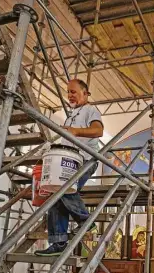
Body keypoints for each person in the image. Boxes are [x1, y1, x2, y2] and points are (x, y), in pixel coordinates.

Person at [35, 79, 103, 256]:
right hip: (70, 160)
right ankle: (58, 243)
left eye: (74, 91)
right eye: (68, 92)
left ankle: (87, 222)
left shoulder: (91, 110)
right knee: (56, 197)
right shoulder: (72, 114)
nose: (70, 95)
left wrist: (75, 131)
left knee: (66, 189)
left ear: (85, 93)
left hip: (86, 159)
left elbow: (98, 131)